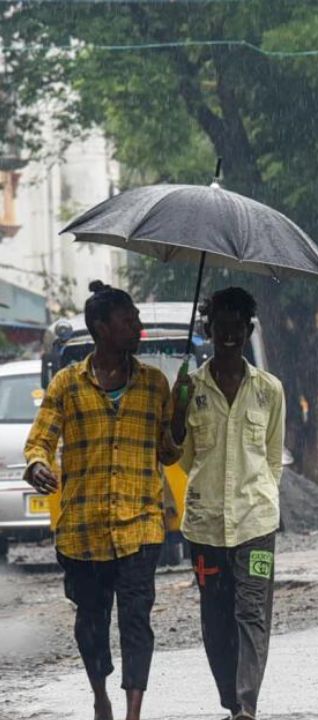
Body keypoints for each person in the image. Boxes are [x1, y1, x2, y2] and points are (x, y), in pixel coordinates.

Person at [24, 281, 182, 720]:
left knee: (136, 621)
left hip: (140, 526)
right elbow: (40, 440)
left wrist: (181, 417)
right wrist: (37, 465)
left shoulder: (155, 385)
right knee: (91, 625)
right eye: (128, 320)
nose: (138, 327)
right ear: (101, 327)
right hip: (83, 531)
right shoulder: (67, 384)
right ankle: (101, 696)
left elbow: (169, 452)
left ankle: (133, 712)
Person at [169, 287, 285, 720]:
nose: (230, 337)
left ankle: (246, 705)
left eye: (238, 328)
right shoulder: (191, 388)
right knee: (216, 620)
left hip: (256, 524)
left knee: (252, 612)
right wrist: (176, 409)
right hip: (205, 527)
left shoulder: (269, 390)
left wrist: (262, 497)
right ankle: (231, 700)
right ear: (209, 330)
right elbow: (179, 456)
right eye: (222, 329)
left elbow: (273, 457)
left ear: (249, 330)